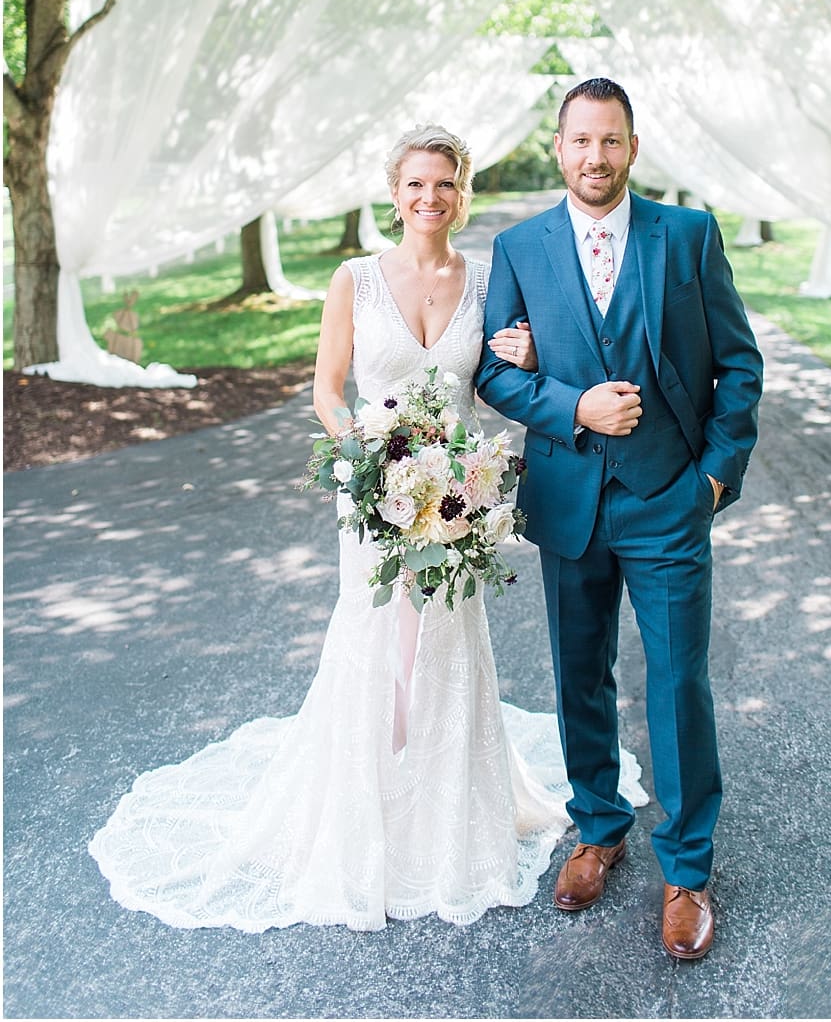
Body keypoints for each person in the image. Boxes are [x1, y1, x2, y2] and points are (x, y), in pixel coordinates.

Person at [89, 123, 646, 931]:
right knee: (380, 636)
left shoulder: (490, 276)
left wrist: (523, 363)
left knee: (447, 637)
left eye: (446, 184)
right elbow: (326, 389)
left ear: (464, 193)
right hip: (373, 489)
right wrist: (365, 459)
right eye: (416, 184)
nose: (431, 198)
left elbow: (495, 381)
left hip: (457, 490)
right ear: (394, 193)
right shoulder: (355, 278)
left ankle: (445, 813)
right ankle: (368, 811)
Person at [475, 77, 763, 962]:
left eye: (610, 141)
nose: (594, 157)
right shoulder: (520, 246)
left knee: (678, 685)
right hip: (569, 500)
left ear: (631, 147)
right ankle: (597, 826)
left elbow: (738, 366)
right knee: (578, 676)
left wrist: (711, 482)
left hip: (668, 501)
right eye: (579, 141)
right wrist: (572, 407)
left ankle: (686, 871)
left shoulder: (688, 234)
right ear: (556, 149)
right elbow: (495, 372)